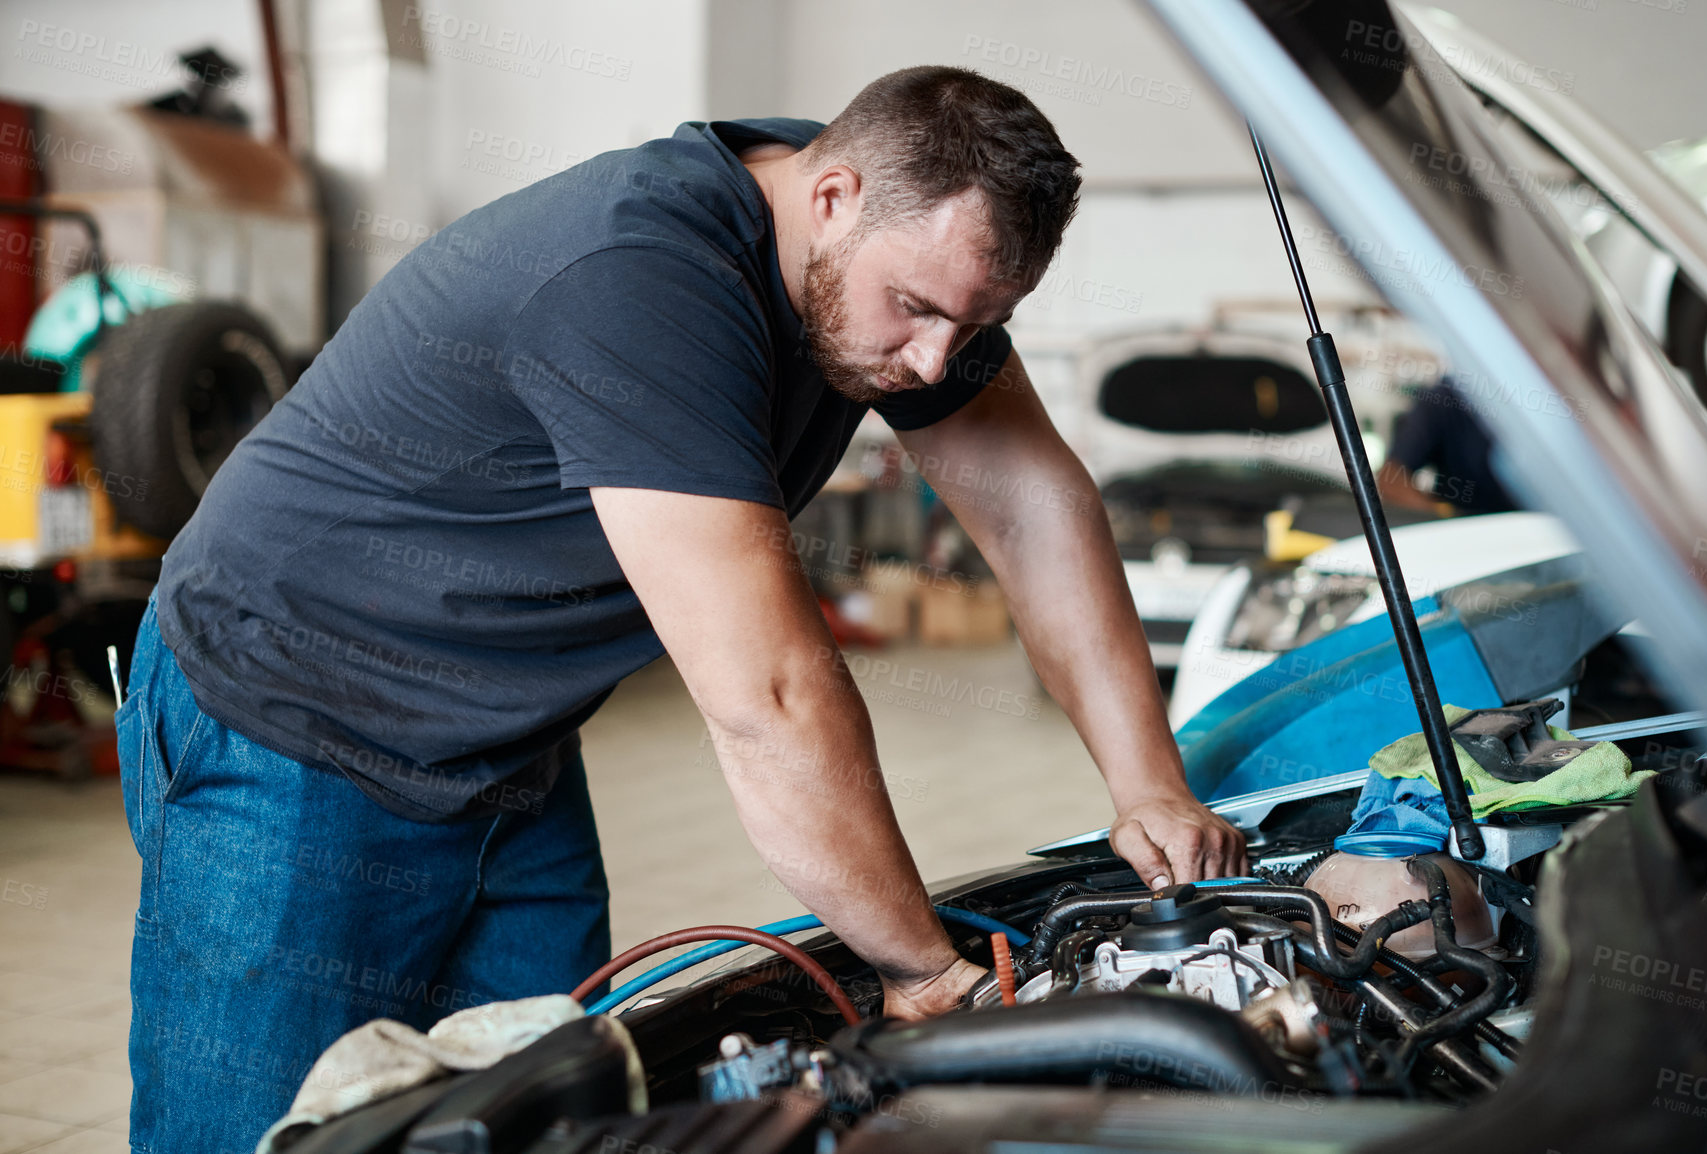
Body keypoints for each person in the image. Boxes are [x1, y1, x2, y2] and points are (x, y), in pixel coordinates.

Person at [118, 66, 1246, 1151]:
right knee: (264, 1139)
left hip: (504, 746)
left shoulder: (885, 232)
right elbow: (767, 695)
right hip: (282, 720)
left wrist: (1148, 781)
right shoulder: (641, 272)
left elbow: (1034, 507)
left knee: (551, 1119)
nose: (936, 359)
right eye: (912, 310)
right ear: (833, 193)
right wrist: (920, 969)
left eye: (975, 326)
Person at [1376, 376, 1521, 516]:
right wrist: (1441, 518)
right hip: (1468, 531)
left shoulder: (1532, 399)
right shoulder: (1448, 397)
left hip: (1533, 529)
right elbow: (1391, 479)